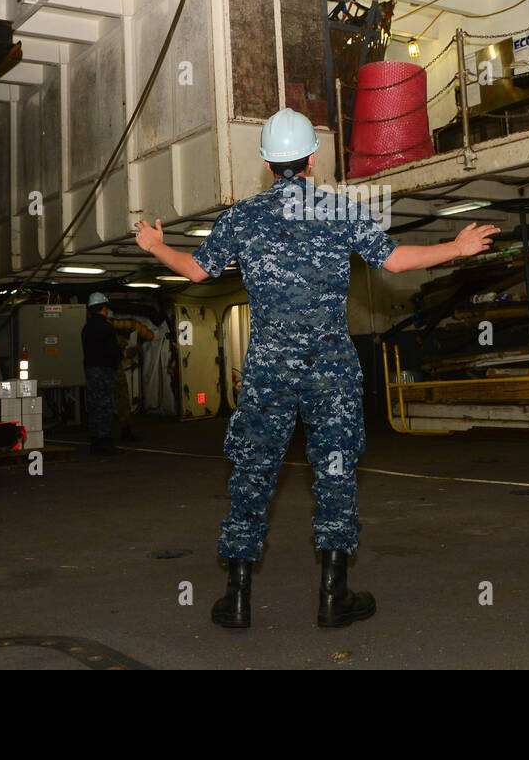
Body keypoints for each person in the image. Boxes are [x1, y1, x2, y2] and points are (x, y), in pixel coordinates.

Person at [135, 107, 499, 629]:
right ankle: (334, 596)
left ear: (266, 161)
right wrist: (457, 247)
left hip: (268, 370)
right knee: (335, 472)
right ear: (313, 159)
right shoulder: (338, 209)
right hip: (331, 368)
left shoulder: (241, 216)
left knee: (253, 472)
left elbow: (195, 271)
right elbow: (394, 261)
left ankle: (236, 599)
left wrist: (155, 245)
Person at [81, 291, 122, 455]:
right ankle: (105, 443)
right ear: (104, 309)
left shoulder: (86, 328)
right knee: (105, 406)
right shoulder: (107, 328)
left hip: (90, 371)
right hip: (105, 371)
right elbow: (114, 352)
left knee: (94, 406)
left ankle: (95, 442)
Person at [110, 315, 155, 442]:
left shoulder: (96, 333)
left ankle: (102, 435)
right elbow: (125, 354)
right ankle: (125, 431)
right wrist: (136, 347)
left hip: (101, 373)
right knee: (122, 402)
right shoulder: (115, 338)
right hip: (115, 372)